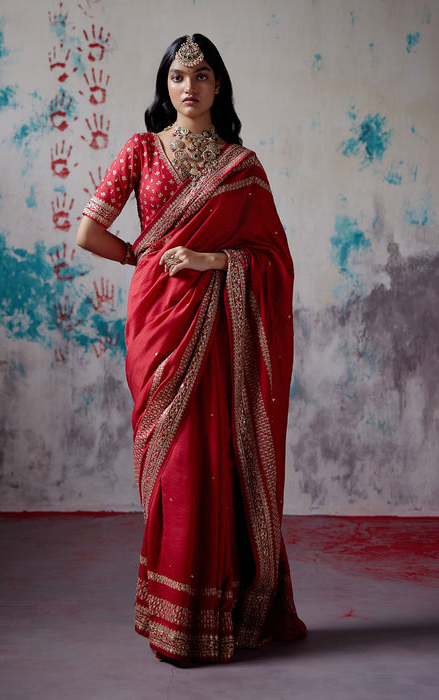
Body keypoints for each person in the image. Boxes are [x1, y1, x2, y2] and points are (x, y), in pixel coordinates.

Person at [76, 33, 306, 665]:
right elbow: (88, 231)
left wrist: (209, 260)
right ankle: (173, 620)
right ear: (166, 85)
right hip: (160, 321)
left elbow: (273, 261)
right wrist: (142, 258)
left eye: (202, 76)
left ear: (218, 85)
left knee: (216, 453)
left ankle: (220, 614)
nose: (189, 87)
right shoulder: (141, 150)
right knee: (176, 457)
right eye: (178, 77)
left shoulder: (242, 165)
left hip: (221, 327)